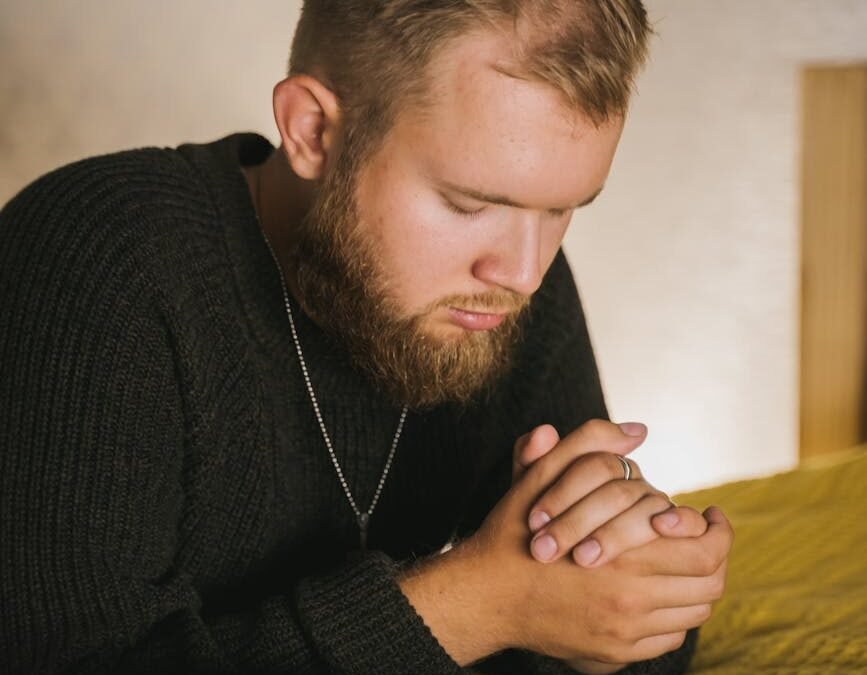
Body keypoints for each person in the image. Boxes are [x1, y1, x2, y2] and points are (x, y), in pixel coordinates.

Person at [0, 1, 732, 673]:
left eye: (563, 210)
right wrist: (480, 600)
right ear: (313, 130)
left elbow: (569, 613)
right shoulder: (97, 252)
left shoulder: (503, 282)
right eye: (468, 203)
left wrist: (639, 585)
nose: (522, 271)